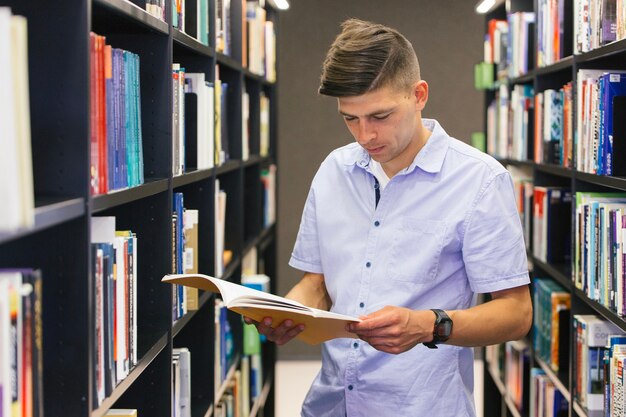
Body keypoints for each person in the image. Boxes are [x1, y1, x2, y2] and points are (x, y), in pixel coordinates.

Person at [246, 18, 532, 416]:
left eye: (380, 116)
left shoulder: (480, 179)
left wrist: (429, 325)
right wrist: (287, 314)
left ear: (419, 95)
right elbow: (317, 284)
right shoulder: (334, 170)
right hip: (331, 403)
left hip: (424, 406)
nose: (365, 136)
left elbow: (516, 313)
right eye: (350, 118)